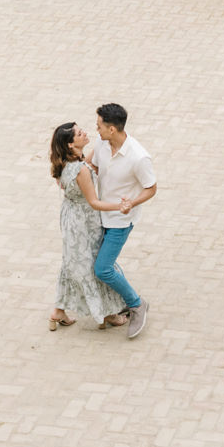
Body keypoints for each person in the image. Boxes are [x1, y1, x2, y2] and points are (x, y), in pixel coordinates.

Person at [48, 122, 130, 333]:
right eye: (79, 133)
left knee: (72, 262)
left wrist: (103, 140)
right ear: (70, 144)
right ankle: (109, 314)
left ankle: (58, 311)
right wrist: (119, 207)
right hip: (85, 222)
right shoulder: (81, 170)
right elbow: (93, 202)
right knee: (95, 264)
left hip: (70, 217)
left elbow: (88, 159)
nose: (84, 132)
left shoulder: (64, 163)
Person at [91, 102, 158, 339]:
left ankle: (136, 305)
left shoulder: (139, 157)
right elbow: (92, 166)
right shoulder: (101, 143)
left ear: (112, 129)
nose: (96, 130)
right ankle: (115, 304)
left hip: (120, 220)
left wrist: (132, 203)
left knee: (103, 268)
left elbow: (151, 188)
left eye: (99, 126)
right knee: (102, 263)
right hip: (99, 214)